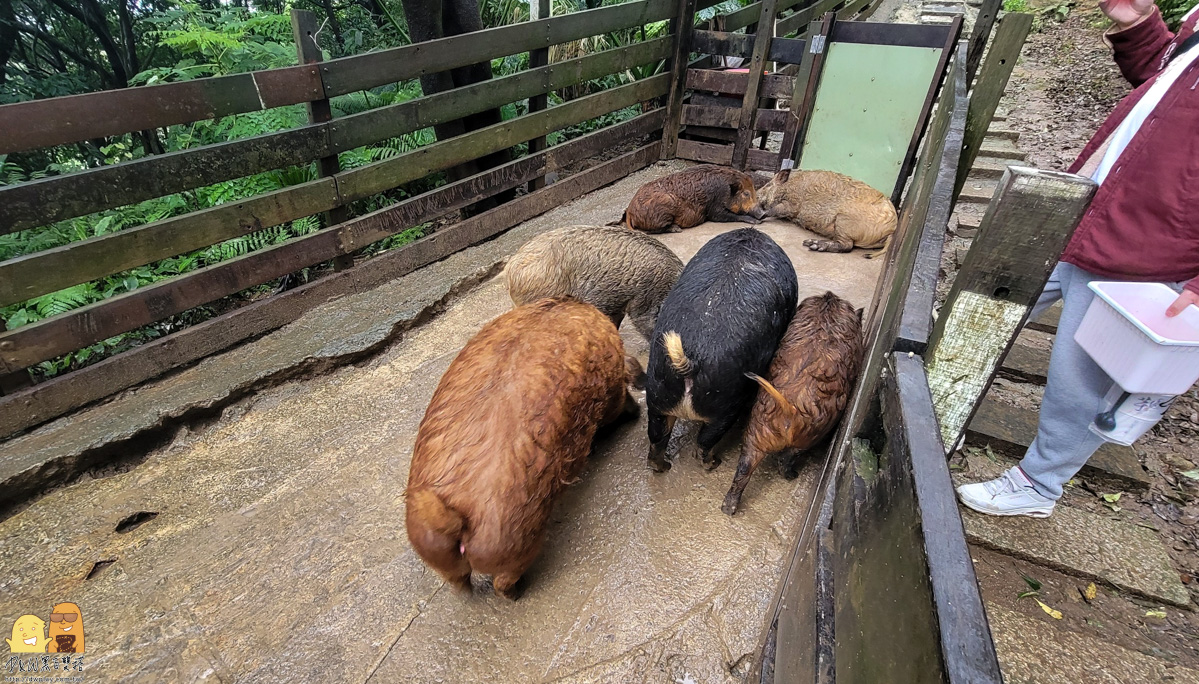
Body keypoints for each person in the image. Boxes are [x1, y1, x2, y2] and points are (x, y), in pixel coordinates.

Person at [956, 0, 1199, 518]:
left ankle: (1038, 485)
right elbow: (1163, 89)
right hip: (1092, 209)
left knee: (1081, 379)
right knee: (986, 306)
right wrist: (1141, 27)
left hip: (1147, 251)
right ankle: (934, 400)